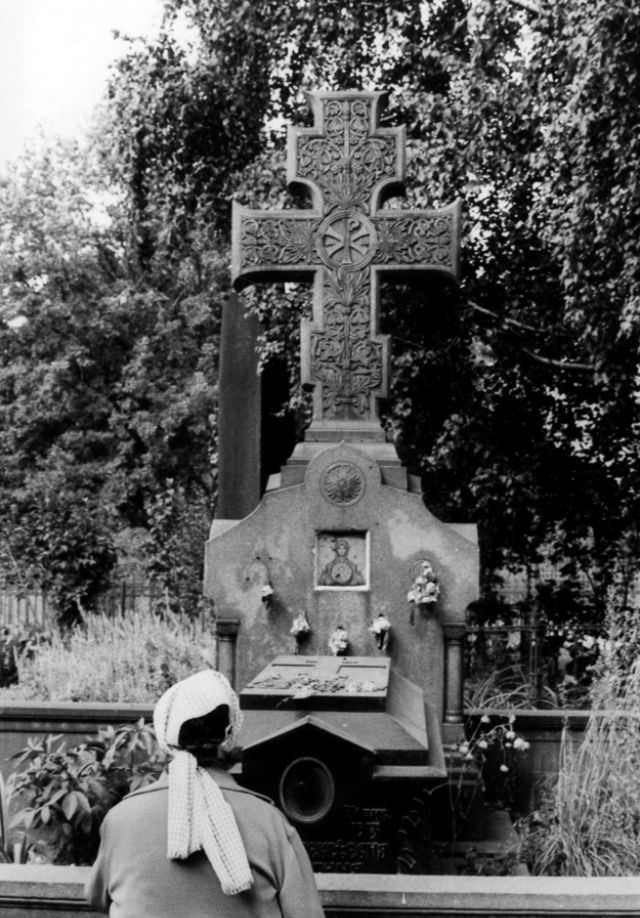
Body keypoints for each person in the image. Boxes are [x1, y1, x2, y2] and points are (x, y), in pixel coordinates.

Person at [85, 669, 325, 918]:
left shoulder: (121, 819)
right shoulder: (270, 823)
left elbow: (98, 897)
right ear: (230, 735)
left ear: (165, 738)